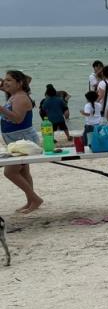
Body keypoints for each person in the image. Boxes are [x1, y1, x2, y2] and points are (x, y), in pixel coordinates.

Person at [1, 71, 44, 214]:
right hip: (16, 139)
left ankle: (35, 198)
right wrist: (5, 84)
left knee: (10, 172)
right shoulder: (14, 95)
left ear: (20, 83)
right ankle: (30, 201)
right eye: (4, 79)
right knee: (24, 171)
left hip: (23, 139)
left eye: (9, 80)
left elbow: (17, 119)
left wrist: (1, 109)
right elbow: (26, 80)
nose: (5, 82)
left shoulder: (20, 98)